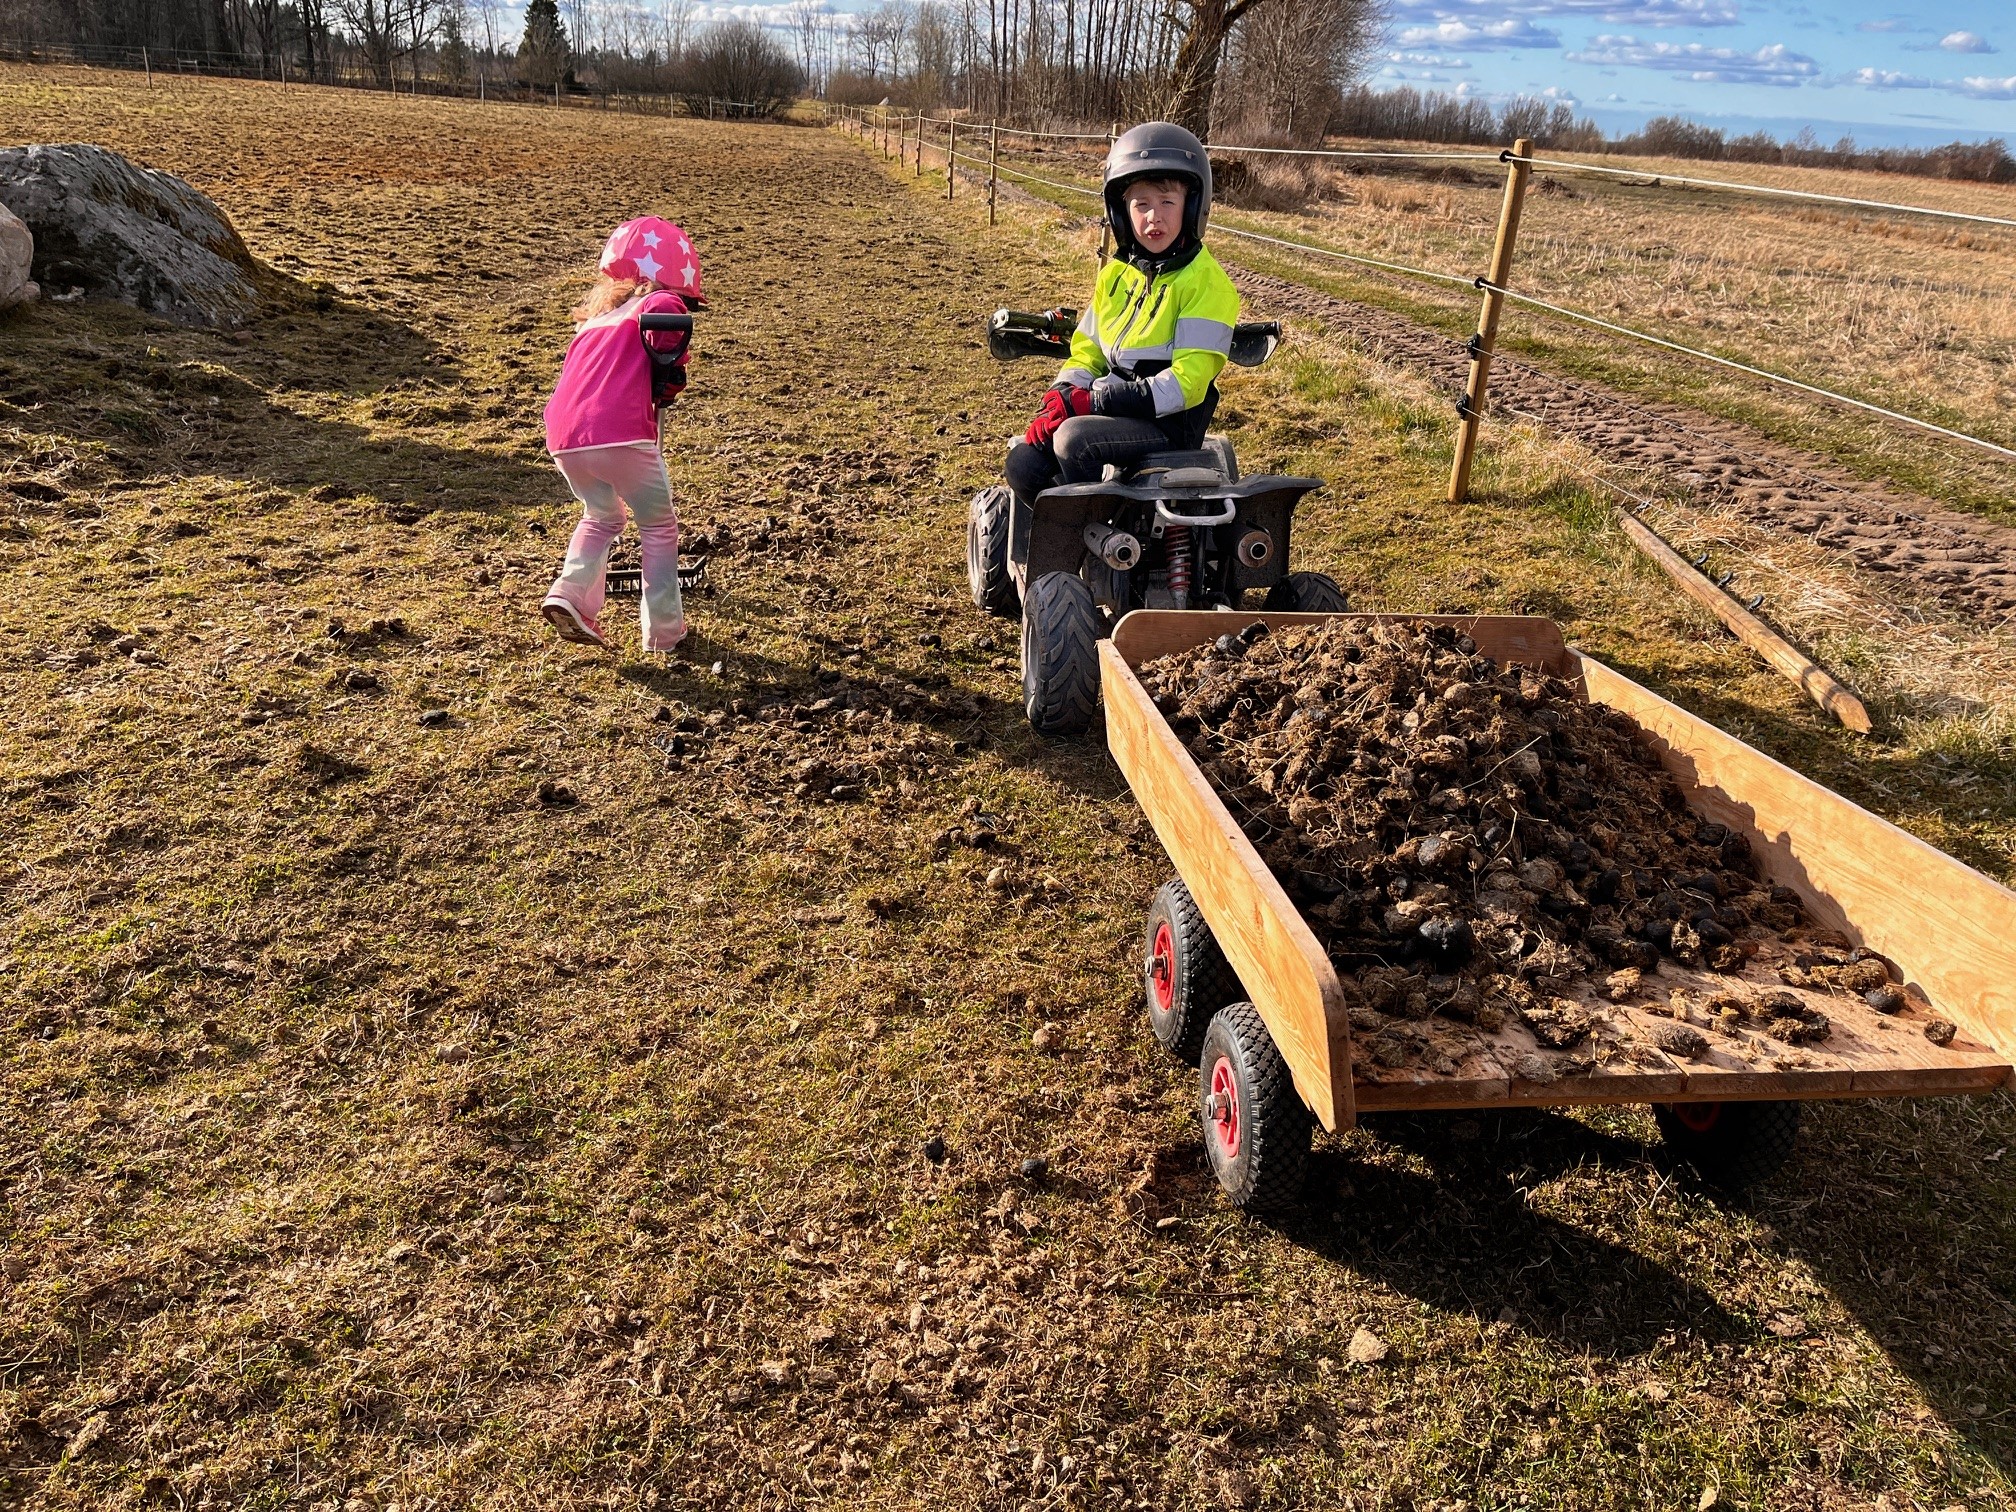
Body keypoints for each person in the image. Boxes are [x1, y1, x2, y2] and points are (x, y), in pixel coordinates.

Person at [1003, 122, 1239, 512]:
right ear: (1121, 212)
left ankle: (1103, 539)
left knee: (1074, 440)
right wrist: (1062, 394)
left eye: (1167, 202)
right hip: (1112, 412)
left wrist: (1094, 402)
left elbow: (1188, 384)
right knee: (1024, 464)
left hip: (1168, 422)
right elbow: (1088, 351)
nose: (1154, 217)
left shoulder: (1208, 284)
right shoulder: (1116, 274)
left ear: (1193, 206)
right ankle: (1078, 530)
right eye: (1141, 204)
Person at [538, 216, 701, 653]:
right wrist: (672, 367)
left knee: (602, 516)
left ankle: (570, 595)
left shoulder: (593, 323)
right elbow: (667, 324)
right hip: (621, 434)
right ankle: (664, 632)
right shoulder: (661, 300)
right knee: (658, 526)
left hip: (566, 438)